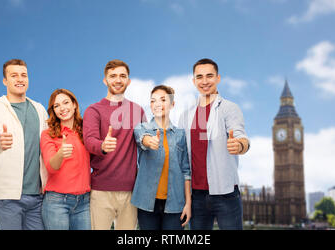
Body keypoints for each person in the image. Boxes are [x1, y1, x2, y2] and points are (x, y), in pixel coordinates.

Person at [178, 58, 250, 230]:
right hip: (196, 197)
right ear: (194, 81)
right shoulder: (185, 116)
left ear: (218, 78)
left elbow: (241, 137)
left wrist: (239, 145)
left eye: (209, 76)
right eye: (200, 77)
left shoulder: (229, 109)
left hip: (226, 194)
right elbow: (182, 158)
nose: (204, 81)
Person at [0, 59, 48, 230]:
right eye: (14, 75)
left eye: (24, 75)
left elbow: (47, 145)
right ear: (5, 81)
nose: (20, 79)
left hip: (37, 196)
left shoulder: (39, 109)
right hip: (6, 197)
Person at [83, 59, 147, 230]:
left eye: (122, 76)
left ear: (128, 81)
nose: (118, 80)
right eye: (113, 76)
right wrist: (102, 146)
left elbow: (144, 143)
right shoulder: (93, 110)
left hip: (131, 191)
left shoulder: (137, 110)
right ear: (105, 80)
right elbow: (89, 140)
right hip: (101, 191)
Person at [132, 85, 191, 230]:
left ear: (172, 104)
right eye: (153, 101)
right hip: (147, 204)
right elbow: (142, 139)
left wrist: (188, 203)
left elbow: (186, 171)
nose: (157, 104)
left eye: (163, 100)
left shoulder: (180, 134)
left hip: (175, 204)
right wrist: (149, 141)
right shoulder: (142, 128)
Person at [40, 89, 91, 230]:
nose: (62, 108)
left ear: (74, 104)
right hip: (56, 203)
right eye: (56, 106)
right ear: (53, 111)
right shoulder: (48, 134)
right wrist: (60, 154)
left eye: (66, 102)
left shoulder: (86, 131)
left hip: (84, 202)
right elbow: (51, 167)